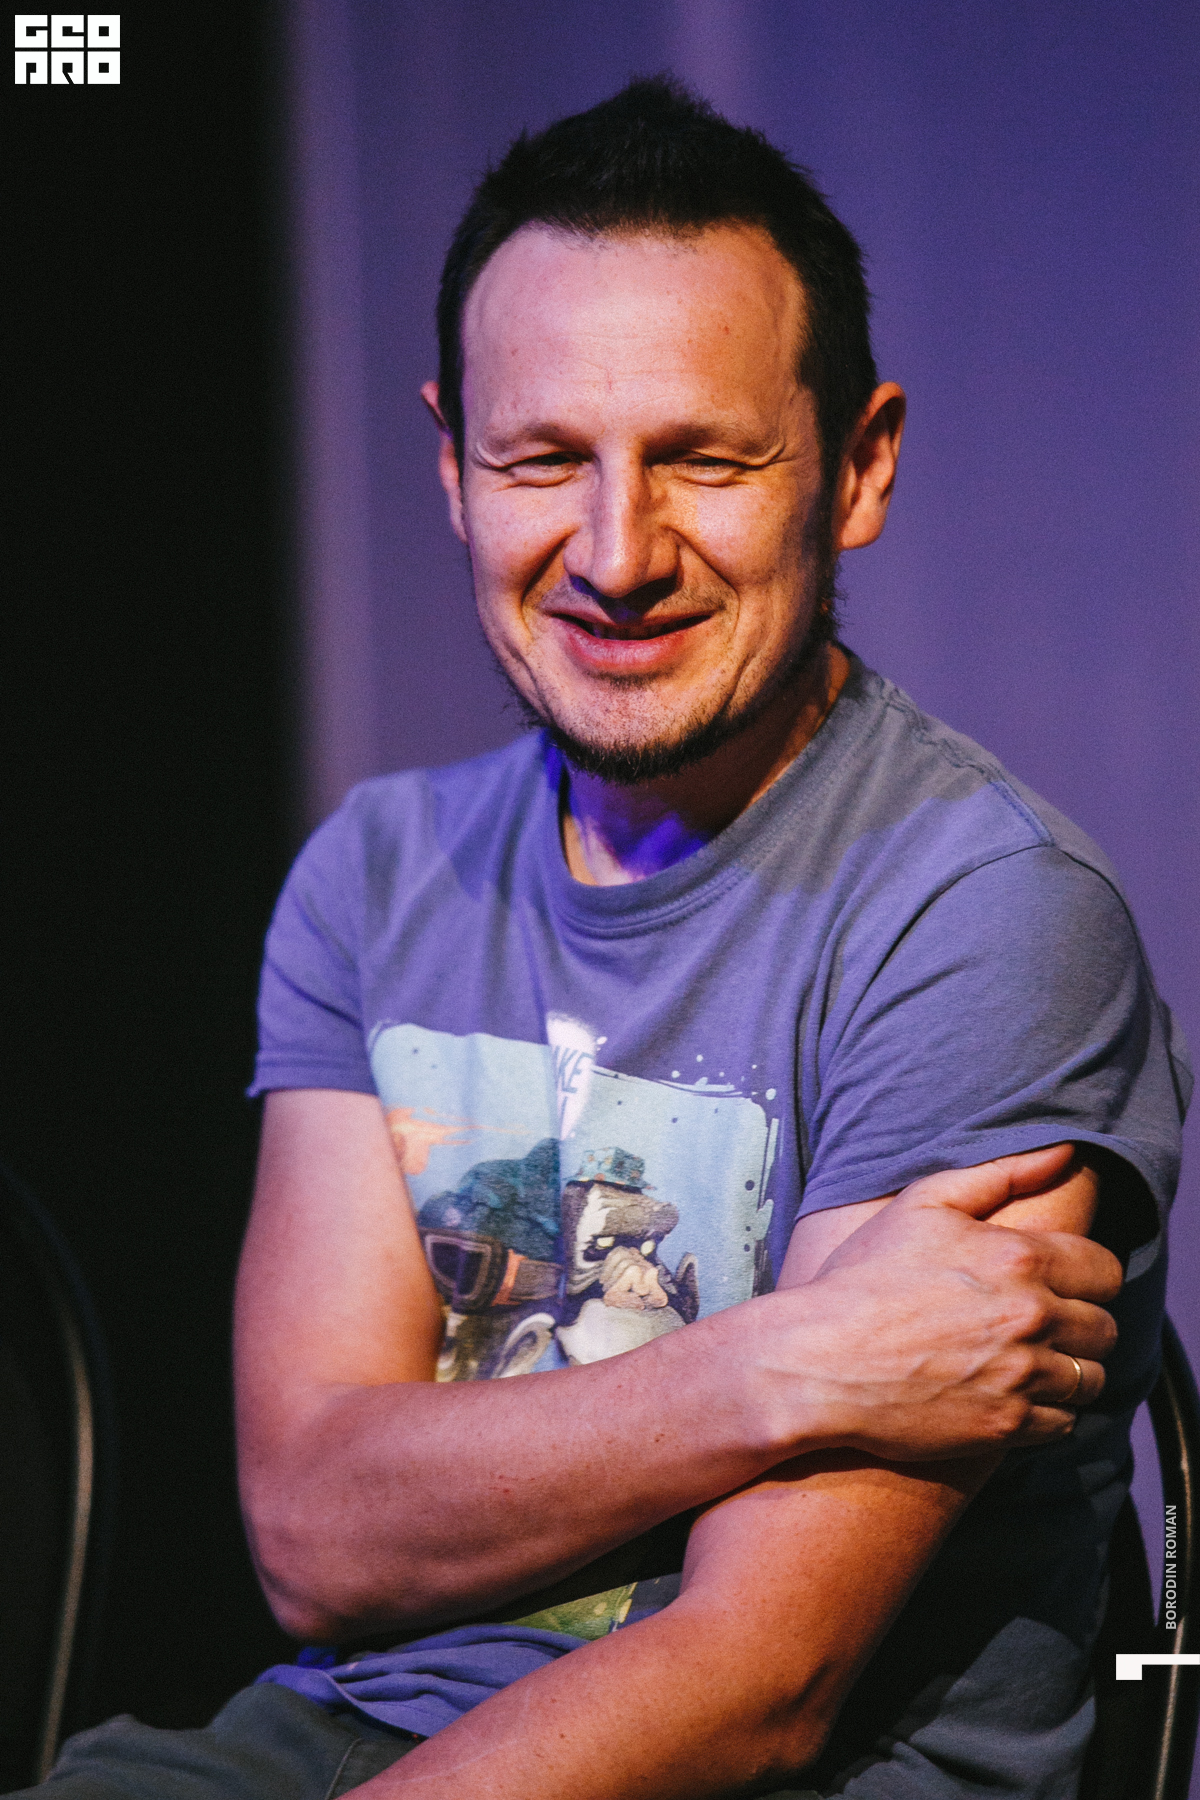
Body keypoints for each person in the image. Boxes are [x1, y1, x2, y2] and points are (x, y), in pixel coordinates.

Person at [33, 79, 1187, 1800]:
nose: (615, 552)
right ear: (452, 466)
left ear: (859, 468)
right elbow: (316, 1534)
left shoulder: (986, 916)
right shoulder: (375, 874)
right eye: (544, 458)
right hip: (333, 1743)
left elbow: (761, 1682)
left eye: (705, 458)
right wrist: (784, 1360)